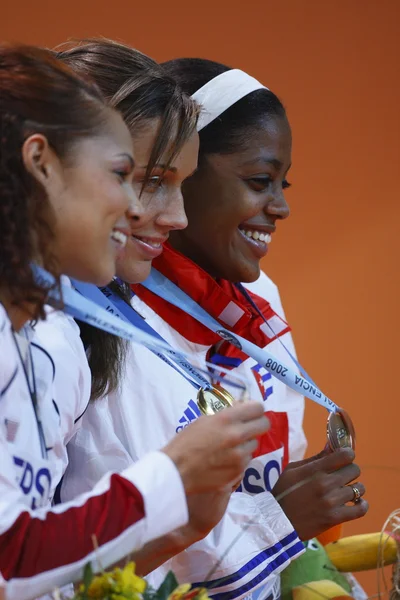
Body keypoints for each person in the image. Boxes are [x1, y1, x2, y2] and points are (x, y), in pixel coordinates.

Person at [60, 58, 368, 599]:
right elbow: (91, 562)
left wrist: (301, 557)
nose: (282, 206)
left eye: (281, 183)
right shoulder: (91, 325)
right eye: (258, 181)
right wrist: (275, 524)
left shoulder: (255, 303)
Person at [0, 43, 269, 600]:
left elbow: (39, 576)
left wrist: (181, 524)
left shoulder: (53, 335)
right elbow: (12, 562)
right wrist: (167, 478)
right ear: (40, 165)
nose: (173, 216)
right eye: (129, 175)